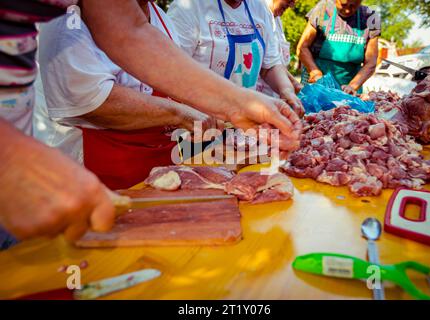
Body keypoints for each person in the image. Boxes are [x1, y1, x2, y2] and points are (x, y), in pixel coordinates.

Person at [0, 0, 301, 244]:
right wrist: (10, 157)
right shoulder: (67, 23)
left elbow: (128, 31)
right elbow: (89, 97)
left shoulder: (146, 15)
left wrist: (238, 104)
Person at [38, 0, 216, 190]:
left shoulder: (161, 19)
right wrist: (181, 114)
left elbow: (175, 80)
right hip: (91, 168)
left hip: (156, 165)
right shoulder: (69, 16)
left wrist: (209, 106)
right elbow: (92, 101)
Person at [167, 0, 304, 115]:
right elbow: (175, 71)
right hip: (200, 120)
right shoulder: (188, 7)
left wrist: (286, 90)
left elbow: (270, 65)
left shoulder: (259, 8)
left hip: (245, 118)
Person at [297, 0, 380, 95]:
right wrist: (315, 73)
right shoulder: (323, 9)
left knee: (344, 110)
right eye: (343, 5)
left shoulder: (370, 17)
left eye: (353, 6)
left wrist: (352, 86)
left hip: (349, 89)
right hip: (317, 85)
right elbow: (303, 48)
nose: (348, 10)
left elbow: (371, 62)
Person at [257, 0, 302, 97]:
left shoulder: (277, 20)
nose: (292, 5)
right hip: (258, 97)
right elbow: (267, 65)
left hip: (276, 97)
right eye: (290, 0)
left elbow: (274, 61)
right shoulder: (257, 13)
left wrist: (294, 85)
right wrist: (293, 85)